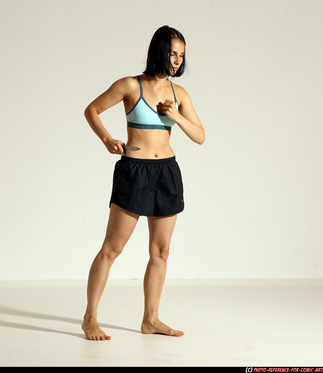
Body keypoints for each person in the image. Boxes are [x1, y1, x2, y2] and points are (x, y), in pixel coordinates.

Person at [82, 26, 205, 341]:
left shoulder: (180, 94)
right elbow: (92, 110)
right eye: (172, 53)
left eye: (181, 55)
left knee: (161, 251)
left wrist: (176, 116)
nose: (177, 60)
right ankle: (90, 318)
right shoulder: (129, 85)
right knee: (112, 249)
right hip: (134, 171)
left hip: (167, 172)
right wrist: (107, 139)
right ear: (159, 51)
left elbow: (200, 136)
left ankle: (151, 319)